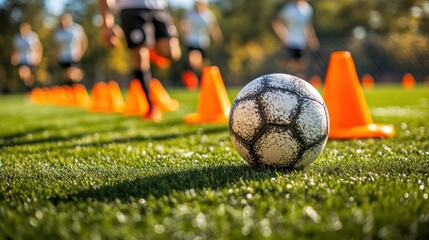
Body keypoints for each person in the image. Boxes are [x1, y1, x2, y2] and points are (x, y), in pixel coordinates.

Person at [98, 0, 182, 121]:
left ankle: (149, 46)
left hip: (158, 8)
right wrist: (107, 21)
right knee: (140, 56)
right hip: (131, 9)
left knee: (171, 53)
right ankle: (150, 105)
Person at [180, 0, 223, 88]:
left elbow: (213, 27)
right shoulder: (190, 14)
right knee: (192, 61)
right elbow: (183, 24)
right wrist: (183, 29)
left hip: (203, 42)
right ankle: (191, 82)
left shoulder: (208, 15)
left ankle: (203, 82)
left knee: (203, 65)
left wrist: (217, 37)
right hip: (191, 41)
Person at [272, 0, 319, 78]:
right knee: (286, 66)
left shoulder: (308, 9)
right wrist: (283, 36)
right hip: (289, 42)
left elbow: (308, 25)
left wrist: (312, 38)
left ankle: (298, 86)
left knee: (300, 67)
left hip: (301, 42)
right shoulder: (288, 9)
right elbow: (276, 22)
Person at [53, 13, 88, 85]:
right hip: (63, 57)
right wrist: (56, 56)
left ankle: (79, 84)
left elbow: (84, 41)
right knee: (66, 75)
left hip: (74, 56)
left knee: (72, 73)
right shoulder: (58, 32)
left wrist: (81, 52)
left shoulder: (76, 29)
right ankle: (70, 89)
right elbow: (56, 46)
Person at [11, 22, 43, 91]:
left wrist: (38, 57)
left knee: (29, 76)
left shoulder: (33, 37)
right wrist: (14, 57)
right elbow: (15, 49)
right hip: (22, 59)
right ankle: (29, 88)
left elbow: (39, 48)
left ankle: (30, 90)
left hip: (31, 59)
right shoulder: (17, 38)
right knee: (23, 73)